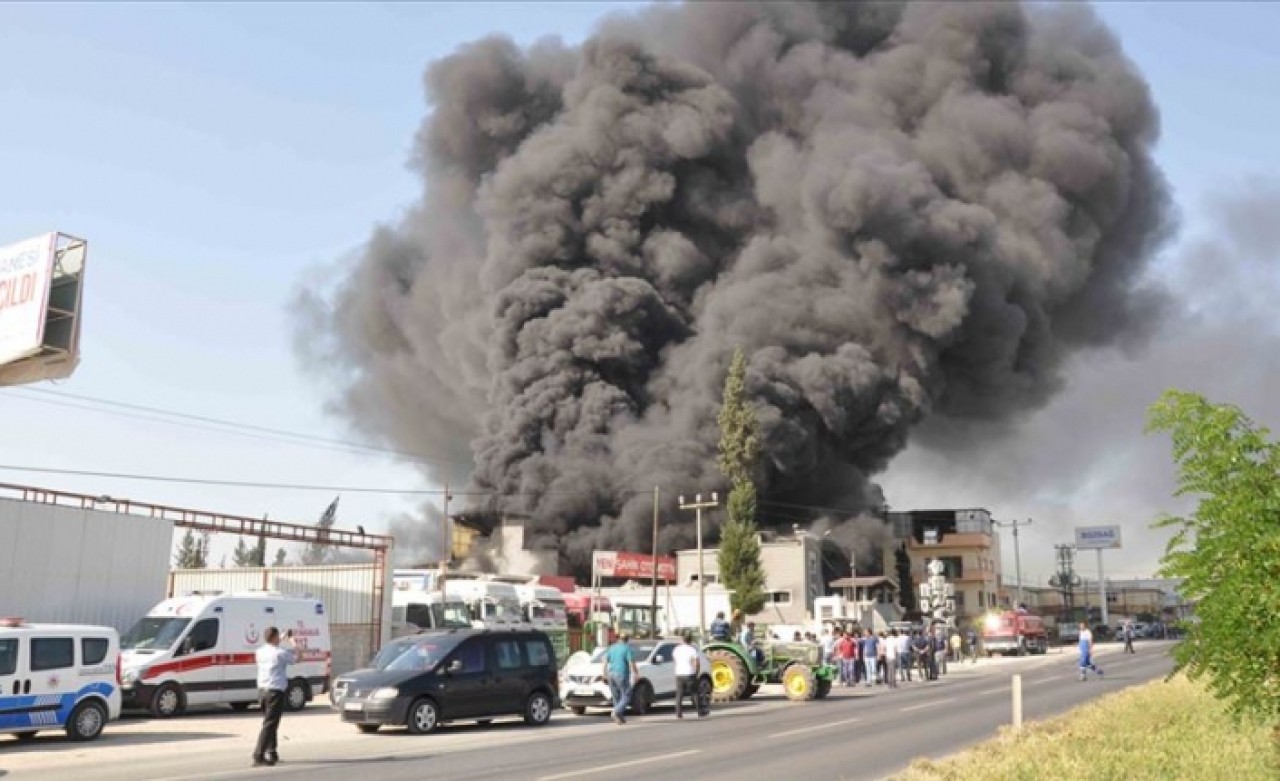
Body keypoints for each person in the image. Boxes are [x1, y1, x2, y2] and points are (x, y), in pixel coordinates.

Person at [253, 626, 296, 767]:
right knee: (270, 724)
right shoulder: (280, 653)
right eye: (278, 637)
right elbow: (297, 658)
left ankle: (272, 752)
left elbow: (272, 647)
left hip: (262, 691)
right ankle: (258, 755)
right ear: (275, 637)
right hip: (275, 692)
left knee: (270, 723)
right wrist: (294, 643)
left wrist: (281, 638)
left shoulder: (260, 652)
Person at [603, 633, 640, 724]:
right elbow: (631, 662)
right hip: (621, 674)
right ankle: (616, 712)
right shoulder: (627, 648)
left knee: (617, 697)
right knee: (627, 696)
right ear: (627, 639)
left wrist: (604, 674)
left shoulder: (612, 648)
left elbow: (605, 661)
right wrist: (635, 674)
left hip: (611, 674)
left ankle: (619, 717)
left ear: (618, 639)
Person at [672, 633, 704, 719]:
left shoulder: (676, 649)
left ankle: (679, 714)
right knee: (694, 693)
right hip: (690, 673)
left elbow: (675, 661)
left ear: (683, 640)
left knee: (679, 694)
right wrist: (696, 673)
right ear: (691, 640)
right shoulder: (692, 650)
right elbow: (697, 664)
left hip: (679, 674)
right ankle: (700, 712)